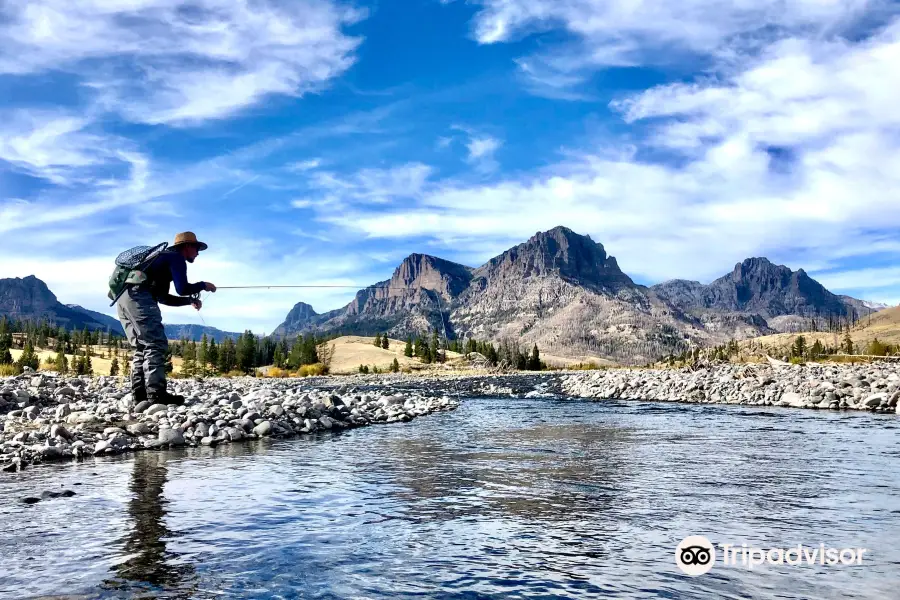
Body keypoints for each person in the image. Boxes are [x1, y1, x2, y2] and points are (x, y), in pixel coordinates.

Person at [116, 232, 216, 405]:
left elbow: (163, 298)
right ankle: (156, 394)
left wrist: (189, 301)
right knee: (154, 344)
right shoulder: (176, 258)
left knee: (140, 346)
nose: (198, 253)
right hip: (140, 298)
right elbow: (182, 288)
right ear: (186, 247)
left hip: (123, 298)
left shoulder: (159, 259)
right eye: (197, 248)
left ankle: (140, 396)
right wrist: (204, 285)